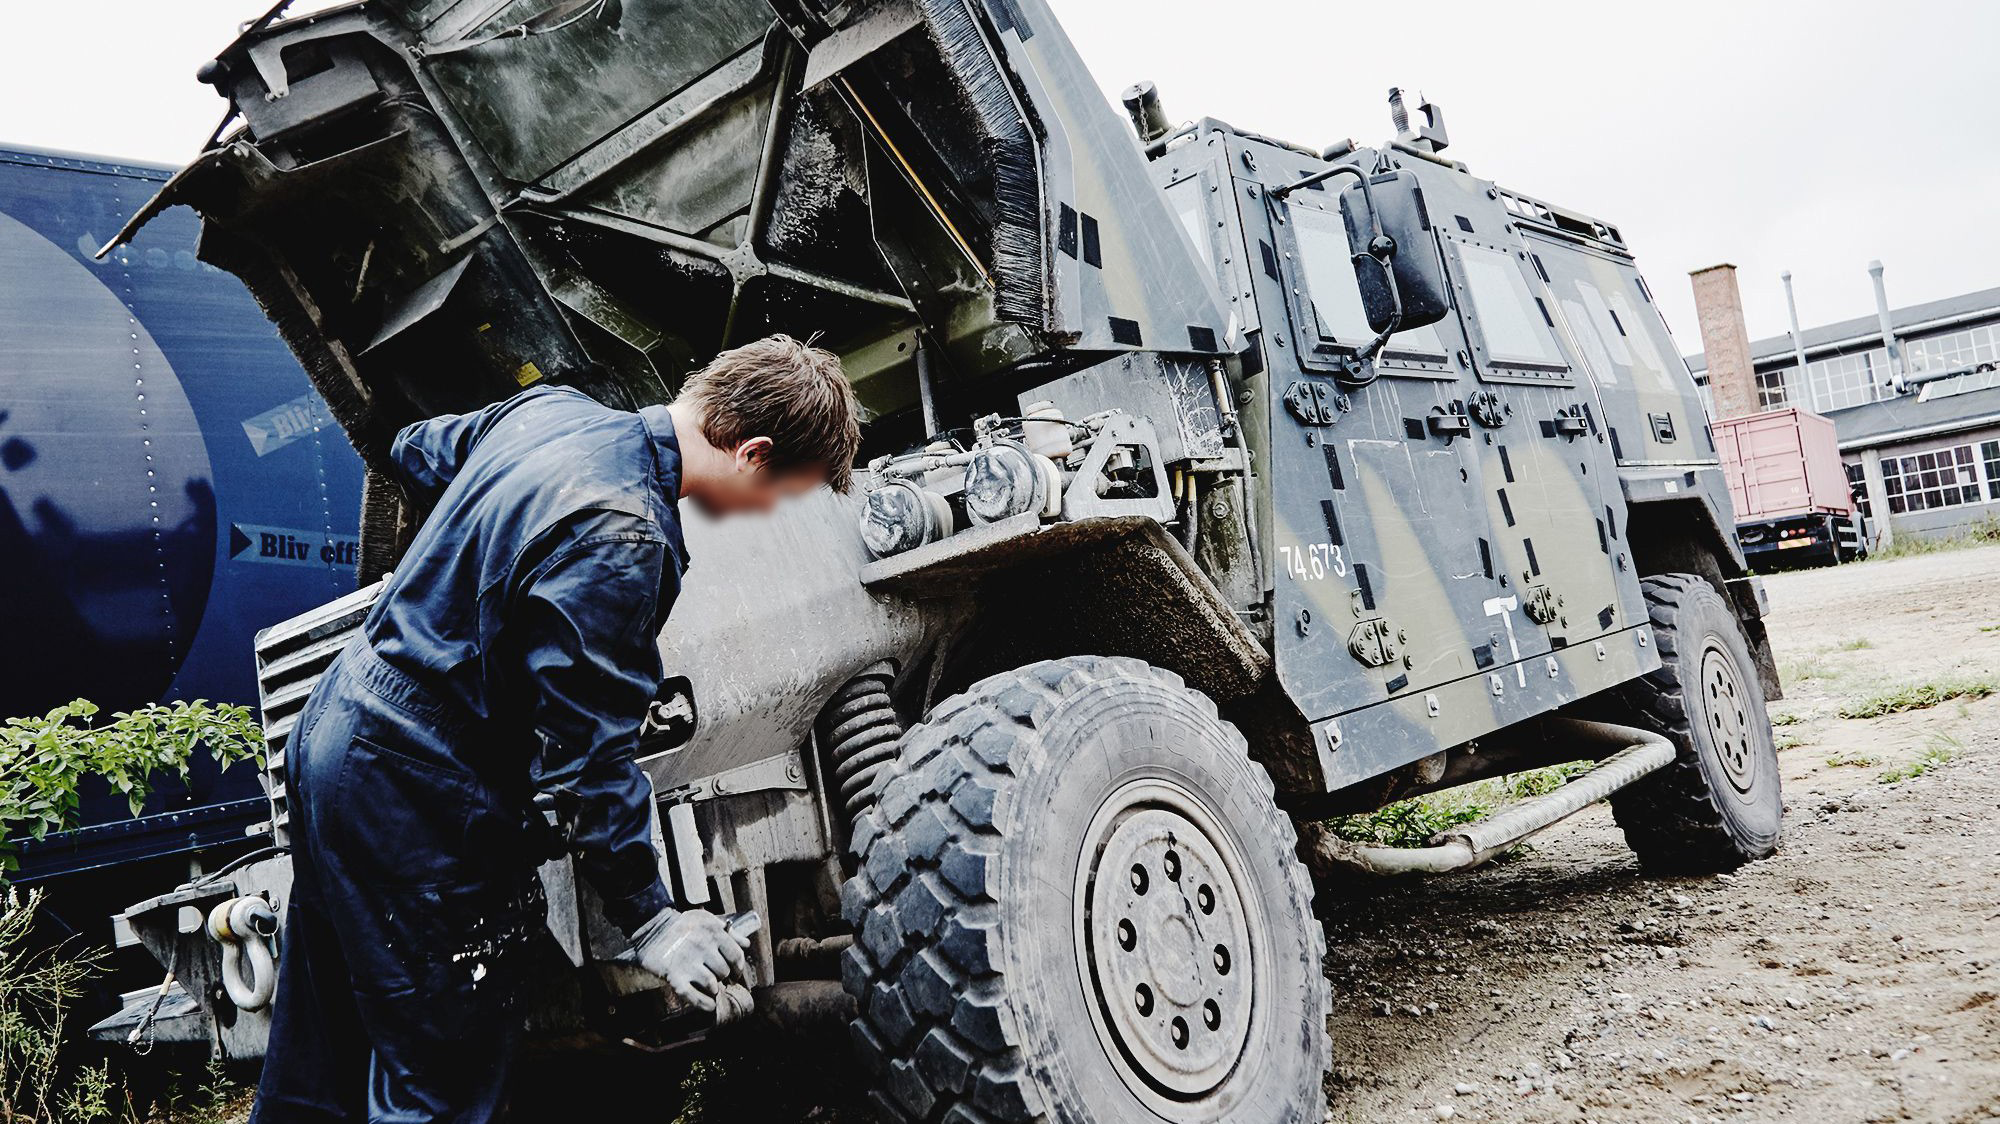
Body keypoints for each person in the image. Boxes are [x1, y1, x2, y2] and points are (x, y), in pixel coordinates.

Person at [251, 335, 862, 1123]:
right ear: (751, 453)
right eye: (783, 491)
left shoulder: (553, 413)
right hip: (413, 789)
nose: (766, 511)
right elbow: (587, 759)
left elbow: (412, 449)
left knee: (322, 1048)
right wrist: (653, 920)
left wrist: (466, 576)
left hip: (333, 731)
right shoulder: (625, 536)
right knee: (440, 1082)